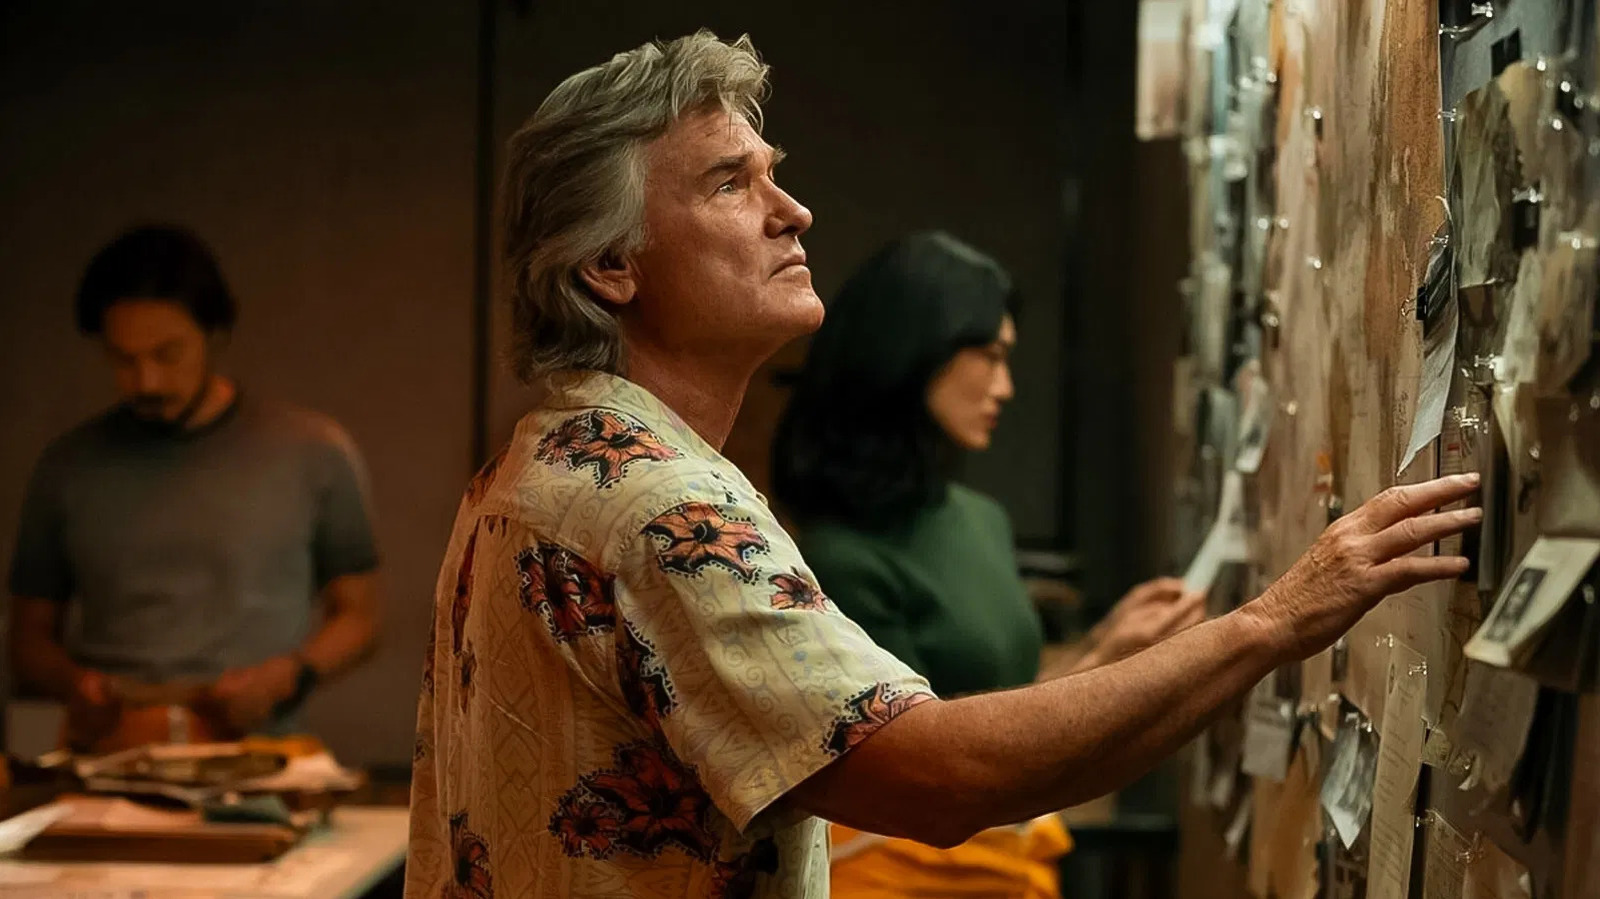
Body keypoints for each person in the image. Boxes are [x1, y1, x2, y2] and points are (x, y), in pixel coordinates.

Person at [405, 31, 1481, 899]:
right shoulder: (656, 501)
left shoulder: (535, 463)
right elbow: (944, 775)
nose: (793, 210)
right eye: (730, 184)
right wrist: (1278, 618)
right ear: (609, 263)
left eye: (774, 174)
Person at [772, 231, 1204, 897]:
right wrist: (1108, 657)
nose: (1005, 387)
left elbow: (1005, 693)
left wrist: (1105, 642)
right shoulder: (836, 559)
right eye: (991, 356)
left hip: (1009, 867)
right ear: (915, 352)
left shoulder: (980, 518)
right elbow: (935, 757)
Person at [7, 225, 381, 752]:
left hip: (255, 755)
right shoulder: (66, 465)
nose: (147, 382)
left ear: (213, 334)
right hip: (111, 757)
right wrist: (73, 685)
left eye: (167, 354)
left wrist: (288, 675)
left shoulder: (313, 451)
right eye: (124, 360)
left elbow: (360, 617)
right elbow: (27, 639)